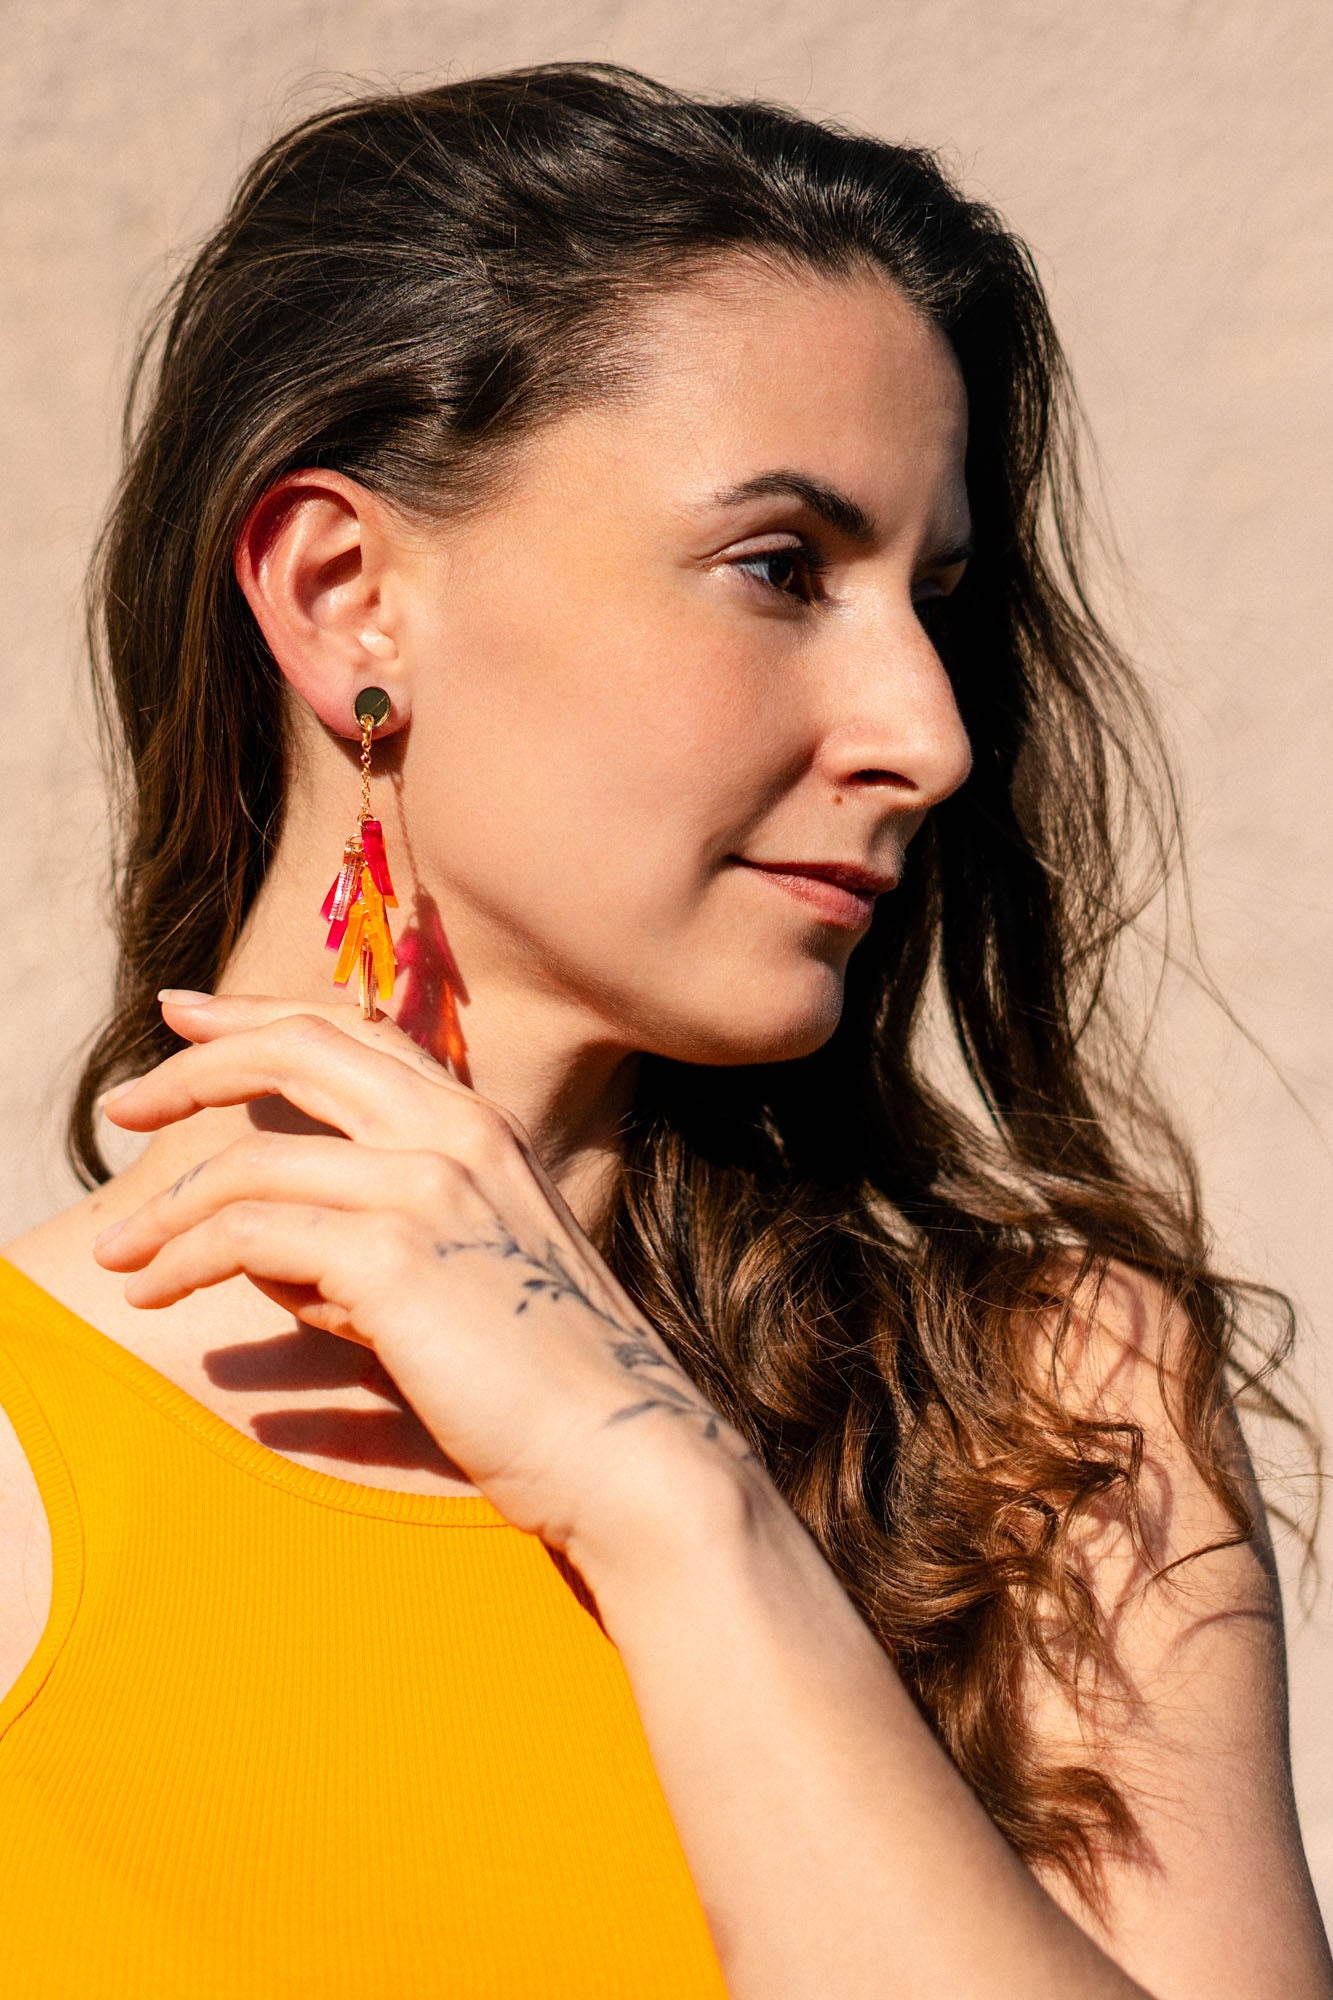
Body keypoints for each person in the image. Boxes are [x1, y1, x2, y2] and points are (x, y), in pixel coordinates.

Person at [0, 59, 1327, 2000]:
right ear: (344, 590)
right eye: (780, 568)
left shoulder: (1037, 1418)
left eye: (931, 600)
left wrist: (663, 1491)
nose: (927, 731)